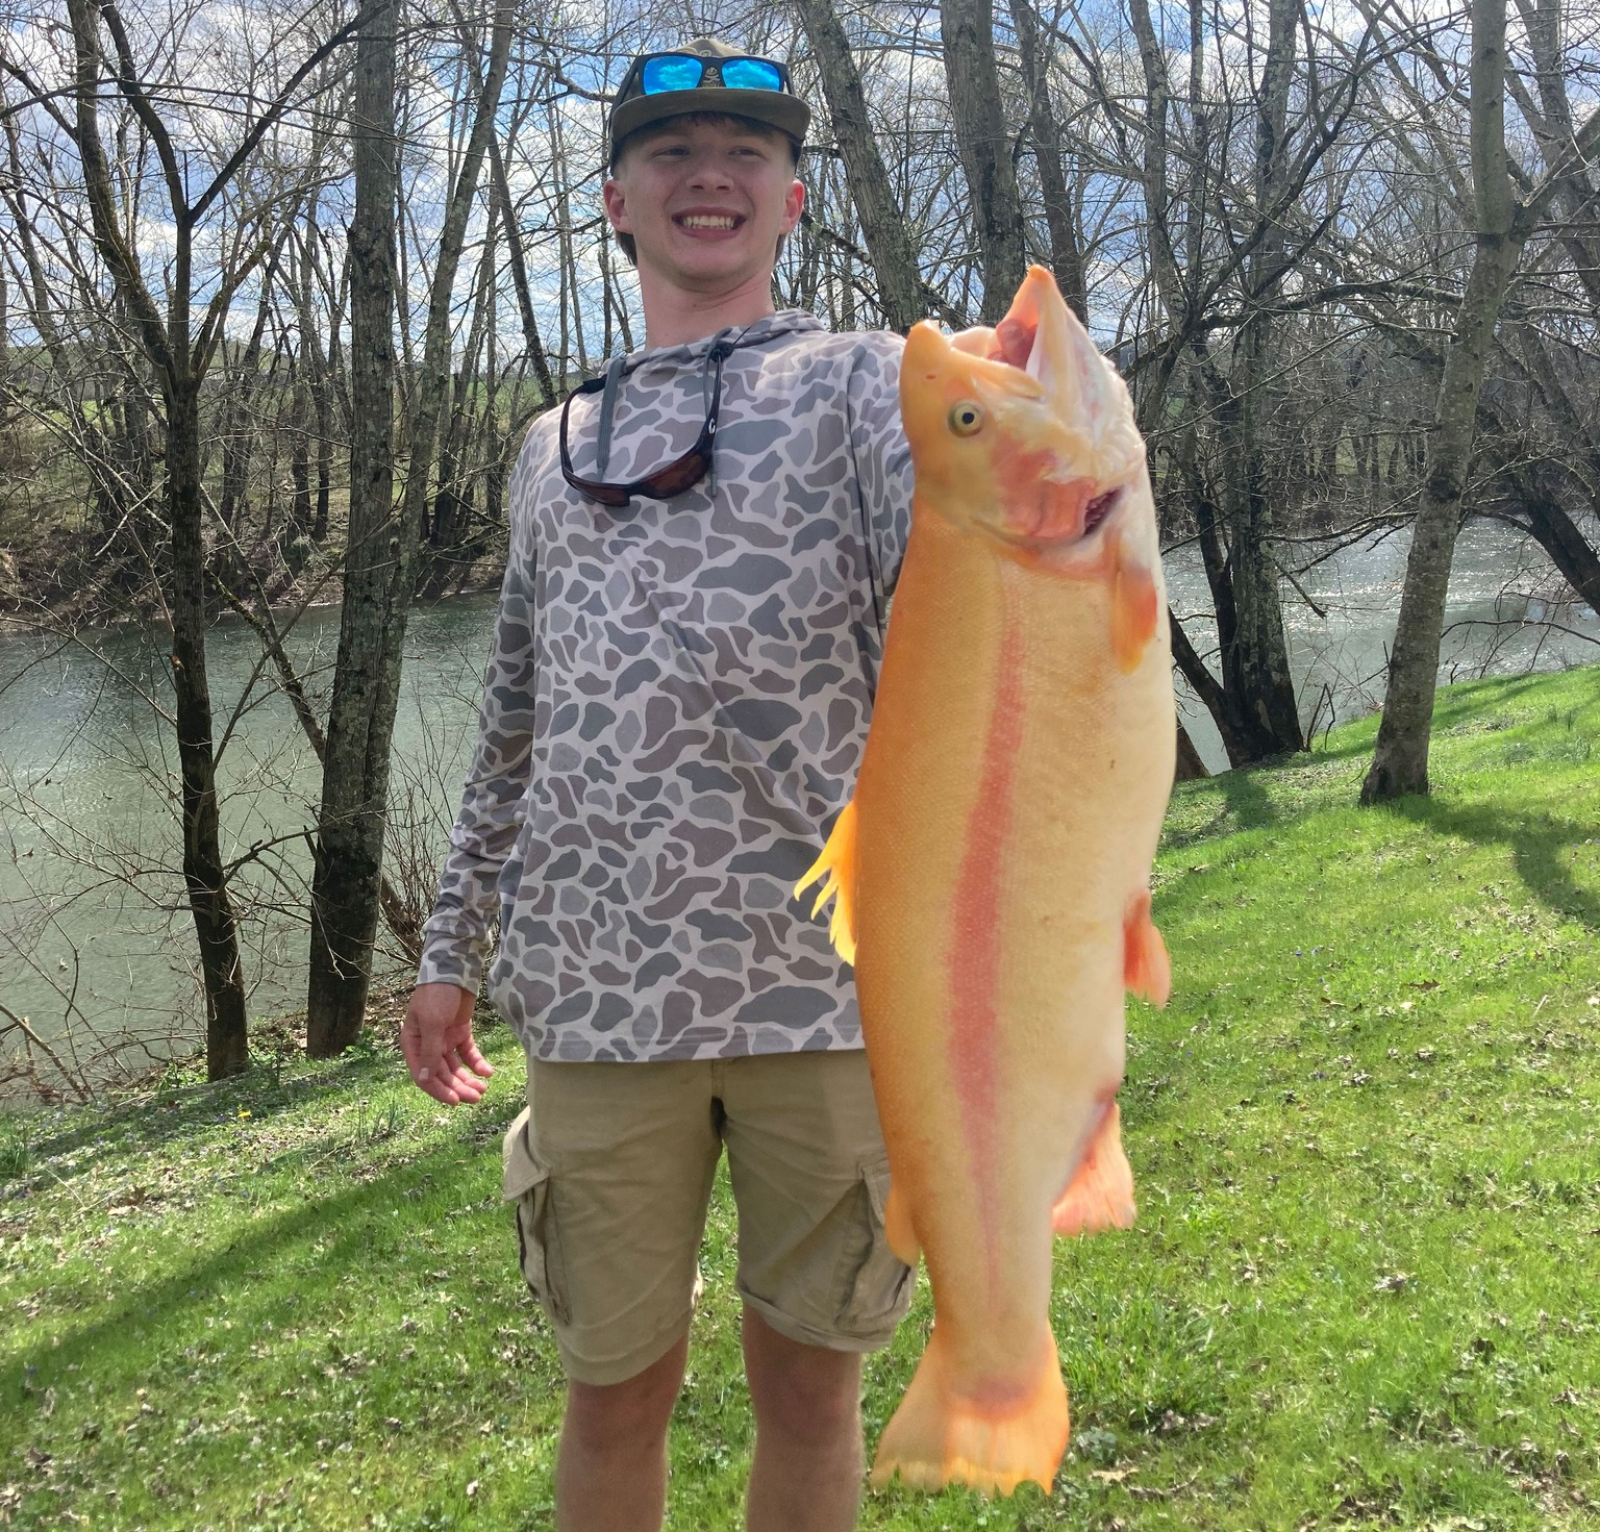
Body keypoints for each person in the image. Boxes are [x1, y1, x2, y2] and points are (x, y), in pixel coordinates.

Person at [400, 36, 915, 1532]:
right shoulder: (549, 447)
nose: (710, 176)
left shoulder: (871, 392)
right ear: (616, 201)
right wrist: (450, 955)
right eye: (673, 153)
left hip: (827, 996)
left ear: (795, 198)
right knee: (614, 1389)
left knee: (809, 1388)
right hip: (595, 1003)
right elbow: (510, 726)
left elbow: (977, 617)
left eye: (744, 154)